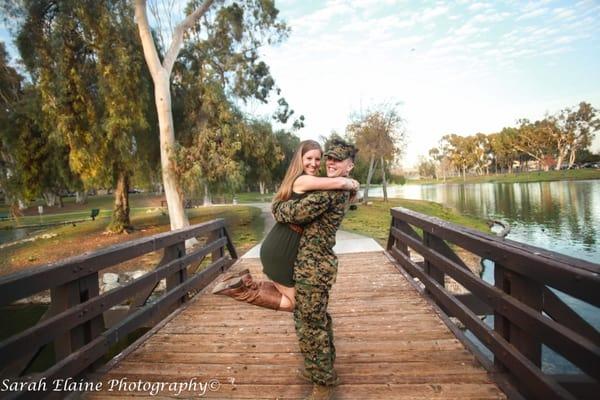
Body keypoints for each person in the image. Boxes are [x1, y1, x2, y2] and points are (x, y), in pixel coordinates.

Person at [212, 140, 359, 312]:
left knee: (294, 300)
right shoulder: (304, 179)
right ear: (299, 159)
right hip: (282, 247)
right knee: (296, 303)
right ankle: (241, 289)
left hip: (283, 244)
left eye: (318, 159)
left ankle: (244, 283)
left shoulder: (309, 180)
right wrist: (353, 184)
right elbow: (340, 183)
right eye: (309, 158)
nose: (314, 163)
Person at [271, 139, 358, 400]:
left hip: (314, 267)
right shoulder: (334, 188)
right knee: (314, 319)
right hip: (310, 265)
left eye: (337, 160)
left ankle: (324, 383)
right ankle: (319, 368)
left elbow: (289, 212)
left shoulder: (329, 194)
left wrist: (276, 206)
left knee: (311, 324)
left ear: (349, 166)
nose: (330, 163)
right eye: (328, 158)